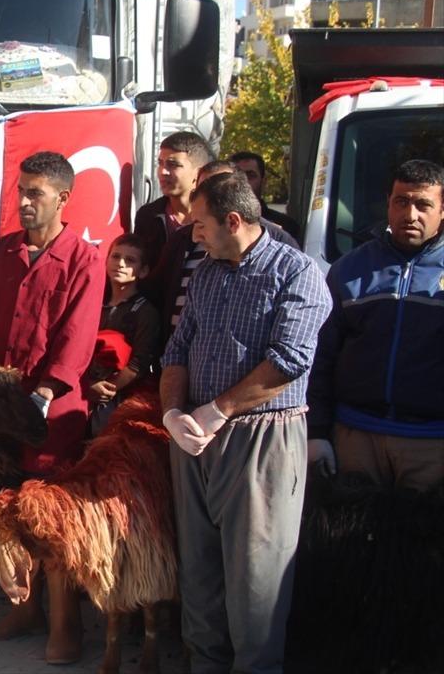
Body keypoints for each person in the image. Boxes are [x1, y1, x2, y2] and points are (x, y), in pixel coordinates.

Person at [160, 171, 330, 674]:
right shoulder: (208, 272)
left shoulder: (298, 273)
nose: (194, 234)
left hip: (262, 438)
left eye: (201, 225)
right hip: (195, 439)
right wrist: (173, 412)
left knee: (256, 577)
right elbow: (178, 347)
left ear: (233, 221)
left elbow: (290, 358)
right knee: (200, 572)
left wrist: (219, 410)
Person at [0, 151, 102, 662]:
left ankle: (66, 626)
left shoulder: (85, 260)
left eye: (34, 193)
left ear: (63, 198)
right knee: (9, 515)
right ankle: (23, 610)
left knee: (53, 522)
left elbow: (78, 338)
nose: (23, 201)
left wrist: (45, 392)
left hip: (52, 417)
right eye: (21, 191)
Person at [307, 159, 444, 492]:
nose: (410, 214)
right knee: (351, 542)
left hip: (431, 445)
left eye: (423, 204)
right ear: (388, 203)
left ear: (442, 210)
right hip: (356, 439)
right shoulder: (349, 269)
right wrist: (317, 432)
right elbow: (319, 358)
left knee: (421, 544)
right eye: (401, 202)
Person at [145, 160, 299, 342]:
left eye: (219, 187)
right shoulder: (184, 243)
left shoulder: (285, 251)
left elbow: (290, 349)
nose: (197, 236)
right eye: (203, 187)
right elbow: (158, 293)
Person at [85, 233, 160, 436]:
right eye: (116, 256)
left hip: (118, 399)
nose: (120, 264)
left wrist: (107, 389)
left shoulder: (146, 312)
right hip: (83, 390)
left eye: (130, 260)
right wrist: (87, 386)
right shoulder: (91, 304)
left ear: (143, 271)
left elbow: (139, 362)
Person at [133, 132, 213, 266]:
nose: (162, 172)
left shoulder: (214, 218)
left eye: (173, 164)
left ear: (198, 173)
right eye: (160, 163)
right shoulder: (148, 216)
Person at [229, 151, 301, 241]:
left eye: (250, 176)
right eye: (238, 176)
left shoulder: (286, 226)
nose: (244, 182)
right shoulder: (215, 225)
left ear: (263, 181)